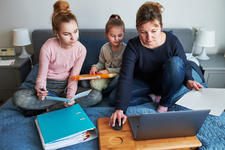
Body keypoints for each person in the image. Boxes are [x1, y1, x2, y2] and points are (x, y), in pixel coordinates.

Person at [109, 1, 203, 127]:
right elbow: (126, 77)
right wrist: (119, 110)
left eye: (154, 31)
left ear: (161, 26)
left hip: (166, 82)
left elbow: (184, 64)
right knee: (113, 99)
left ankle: (165, 102)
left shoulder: (172, 41)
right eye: (143, 32)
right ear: (137, 29)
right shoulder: (133, 46)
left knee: (176, 63)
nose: (149, 37)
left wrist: (189, 80)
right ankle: (152, 98)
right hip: (144, 82)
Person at [12, 0, 102, 117]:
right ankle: (59, 106)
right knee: (18, 98)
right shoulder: (47, 47)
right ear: (57, 33)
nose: (73, 38)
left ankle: (49, 108)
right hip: (48, 86)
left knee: (96, 95)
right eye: (66, 34)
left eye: (75, 31)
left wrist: (70, 96)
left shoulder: (81, 50)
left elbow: (73, 77)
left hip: (66, 86)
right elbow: (41, 77)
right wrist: (40, 90)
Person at [84, 14, 126, 106]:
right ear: (106, 34)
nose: (116, 39)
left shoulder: (126, 49)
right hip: (104, 78)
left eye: (120, 35)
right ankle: (101, 90)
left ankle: (102, 92)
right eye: (112, 36)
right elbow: (101, 63)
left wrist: (108, 71)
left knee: (119, 78)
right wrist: (95, 67)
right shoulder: (104, 48)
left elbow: (124, 69)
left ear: (124, 33)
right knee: (83, 82)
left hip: (116, 78)